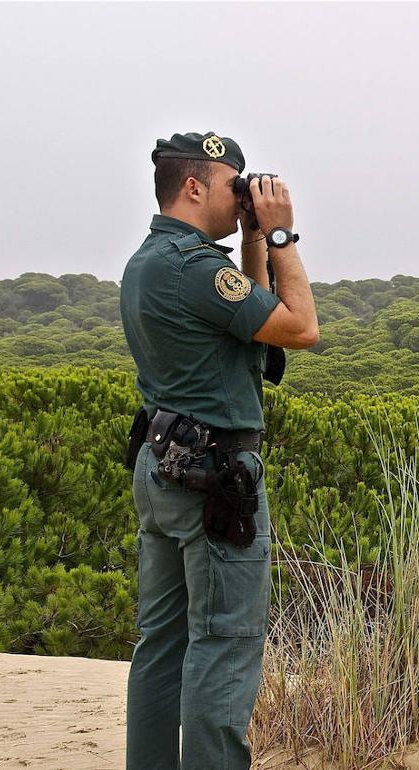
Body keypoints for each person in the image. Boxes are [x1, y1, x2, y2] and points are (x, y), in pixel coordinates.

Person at [119, 131, 319, 769]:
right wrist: (284, 235)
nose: (243, 197)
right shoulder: (195, 269)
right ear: (194, 186)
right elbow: (299, 327)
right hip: (214, 474)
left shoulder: (154, 260)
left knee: (162, 644)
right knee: (224, 644)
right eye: (234, 185)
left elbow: (250, 326)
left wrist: (254, 238)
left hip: (163, 462)